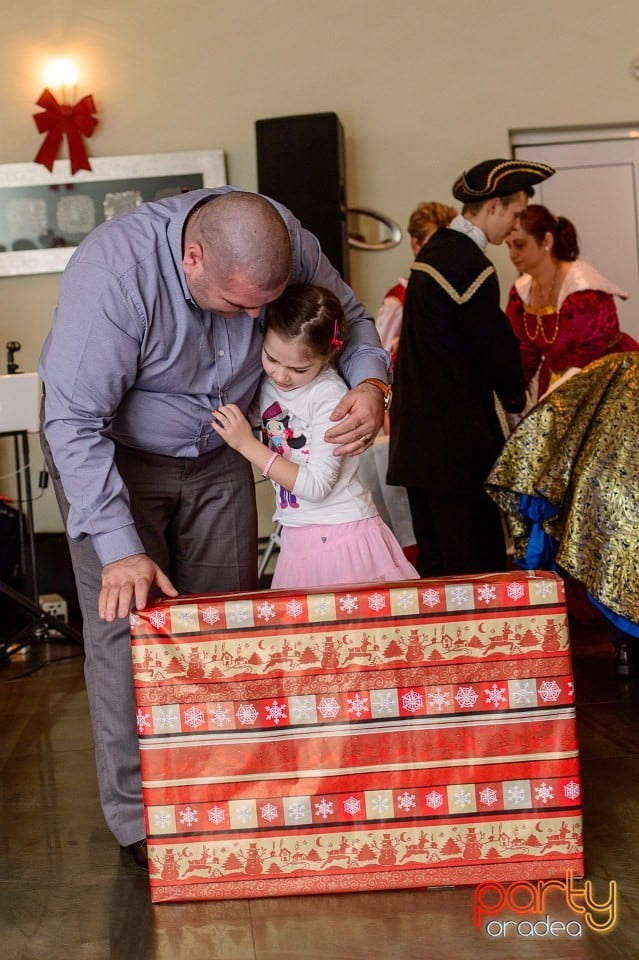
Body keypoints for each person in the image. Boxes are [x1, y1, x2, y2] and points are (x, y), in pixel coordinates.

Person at [38, 187, 391, 870]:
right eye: (239, 307)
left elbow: (348, 315)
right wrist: (119, 550)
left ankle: (226, 793)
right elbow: (73, 425)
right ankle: (144, 820)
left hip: (220, 451)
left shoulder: (284, 240)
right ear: (192, 258)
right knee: (127, 631)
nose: (255, 321)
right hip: (115, 456)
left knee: (226, 624)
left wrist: (372, 386)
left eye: (266, 304)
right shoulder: (113, 277)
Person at [387, 157, 555, 578]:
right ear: (494, 205)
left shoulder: (437, 251)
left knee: (437, 567)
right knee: (473, 568)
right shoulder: (469, 264)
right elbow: (492, 345)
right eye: (515, 214)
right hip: (453, 447)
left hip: (419, 442)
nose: (515, 227)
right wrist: (517, 396)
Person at [210, 283, 419, 588]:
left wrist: (247, 444)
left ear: (329, 354)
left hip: (341, 535)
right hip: (298, 534)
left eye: (298, 368)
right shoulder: (274, 383)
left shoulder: (329, 397)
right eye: (271, 358)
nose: (281, 375)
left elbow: (316, 486)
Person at [485, 352, 639, 677]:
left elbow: (552, 415)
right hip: (611, 487)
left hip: (605, 486)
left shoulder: (613, 367)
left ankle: (625, 648)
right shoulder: (619, 365)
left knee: (610, 559)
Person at [506, 204, 639, 401]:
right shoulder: (522, 293)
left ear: (546, 241)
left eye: (520, 244)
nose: (512, 254)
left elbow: (588, 356)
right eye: (508, 246)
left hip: (608, 379)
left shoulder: (584, 290)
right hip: (559, 382)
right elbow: (526, 355)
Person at [375, 201, 458, 358]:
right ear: (416, 245)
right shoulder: (398, 301)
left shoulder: (455, 294)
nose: (443, 252)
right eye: (434, 244)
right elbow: (379, 358)